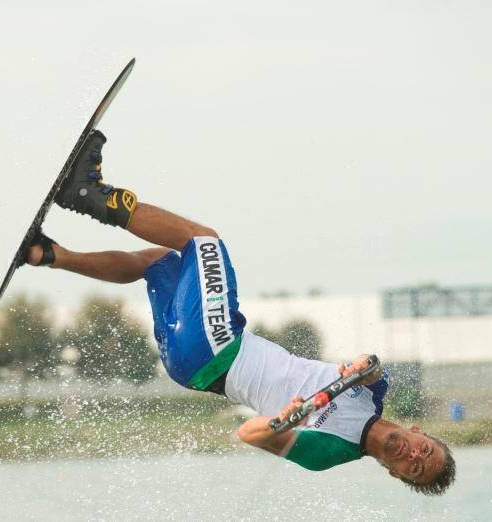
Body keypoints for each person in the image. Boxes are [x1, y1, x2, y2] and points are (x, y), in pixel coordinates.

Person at [25, 130, 455, 495]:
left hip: (216, 352)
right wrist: (364, 366)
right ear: (420, 432)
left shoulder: (330, 452)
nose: (412, 456)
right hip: (197, 363)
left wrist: (281, 420)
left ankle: (87, 193)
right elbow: (374, 370)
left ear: (394, 474)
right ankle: (49, 255)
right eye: (425, 451)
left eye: (414, 468)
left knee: (202, 240)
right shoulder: (372, 394)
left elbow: (247, 435)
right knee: (156, 262)